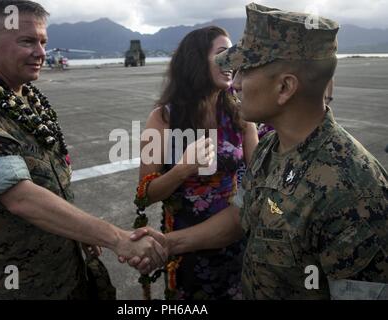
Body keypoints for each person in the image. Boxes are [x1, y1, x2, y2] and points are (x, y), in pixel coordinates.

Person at [130, 3, 388, 300]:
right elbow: (240, 216)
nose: (235, 82)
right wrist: (167, 243)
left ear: (284, 88)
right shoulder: (269, 148)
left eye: (247, 70)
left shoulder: (355, 191)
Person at [0, 0, 166, 299]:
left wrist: (81, 232)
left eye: (43, 42)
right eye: (27, 41)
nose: (41, 53)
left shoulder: (28, 100)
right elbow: (19, 197)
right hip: (17, 284)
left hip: (68, 271)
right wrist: (118, 238)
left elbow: (50, 182)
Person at [134, 26, 258, 300]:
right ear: (196, 60)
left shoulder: (241, 116)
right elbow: (144, 195)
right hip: (184, 252)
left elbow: (259, 181)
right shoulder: (164, 119)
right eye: (223, 54)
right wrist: (182, 170)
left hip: (236, 245)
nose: (231, 63)